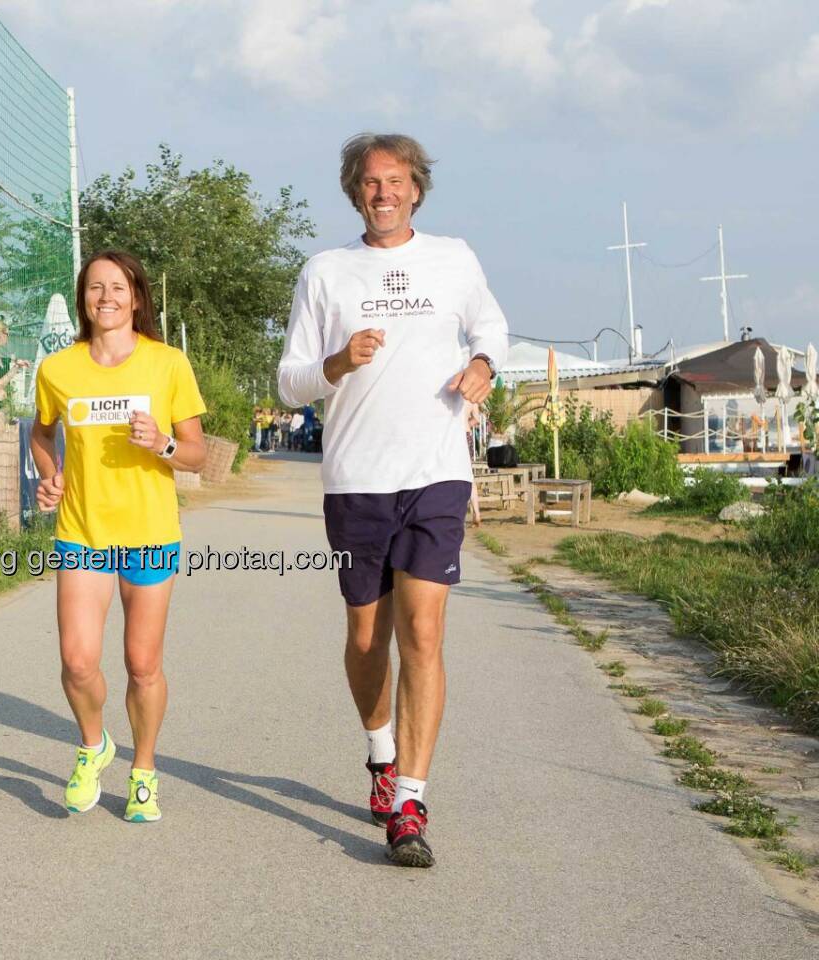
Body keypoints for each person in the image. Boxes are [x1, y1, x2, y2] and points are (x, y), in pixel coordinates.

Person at [277, 133, 507, 867]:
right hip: (355, 479)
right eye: (370, 182)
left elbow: (492, 325)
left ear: (416, 189)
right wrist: (339, 362)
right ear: (355, 192)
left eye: (396, 181)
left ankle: (409, 799)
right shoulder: (326, 272)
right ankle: (381, 754)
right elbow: (290, 382)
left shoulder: (454, 258)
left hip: (436, 470)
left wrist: (482, 363)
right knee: (369, 639)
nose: (383, 193)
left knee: (424, 634)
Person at [30, 249, 206, 823]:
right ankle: (92, 746)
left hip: (150, 533)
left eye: (118, 287)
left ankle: (144, 771)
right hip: (82, 532)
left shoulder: (167, 364)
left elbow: (200, 454)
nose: (106, 297)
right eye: (95, 287)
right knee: (78, 662)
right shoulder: (58, 369)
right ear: (84, 298)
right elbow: (41, 435)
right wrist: (50, 477)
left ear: (136, 297)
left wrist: (164, 444)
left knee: (141, 664)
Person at [0, 319, 30, 425]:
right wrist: (15, 369)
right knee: (0, 435)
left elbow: (9, 361)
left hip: (5, 404)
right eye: (7, 334)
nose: (8, 337)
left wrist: (18, 363)